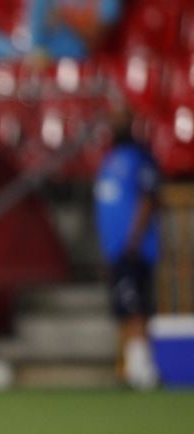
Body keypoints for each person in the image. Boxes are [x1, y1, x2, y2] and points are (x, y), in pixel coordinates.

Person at [93, 101, 161, 389]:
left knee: (135, 308)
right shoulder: (109, 159)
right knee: (124, 308)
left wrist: (134, 238)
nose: (114, 124)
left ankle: (142, 370)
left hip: (134, 248)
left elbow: (148, 197)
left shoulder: (140, 157)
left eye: (119, 119)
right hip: (116, 249)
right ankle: (131, 367)